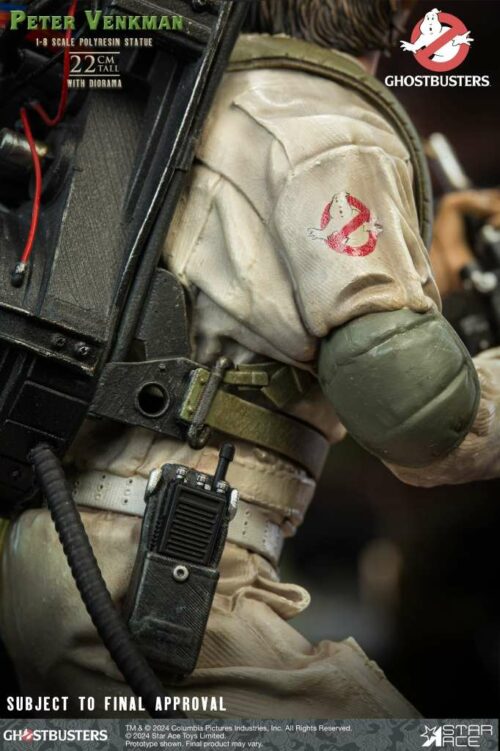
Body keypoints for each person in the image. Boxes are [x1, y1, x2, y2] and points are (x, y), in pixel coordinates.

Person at [1, 0, 497, 718]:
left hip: (66, 552)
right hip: (162, 577)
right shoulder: (331, 125)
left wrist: (427, 284)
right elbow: (418, 417)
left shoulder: (195, 91)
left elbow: (234, 305)